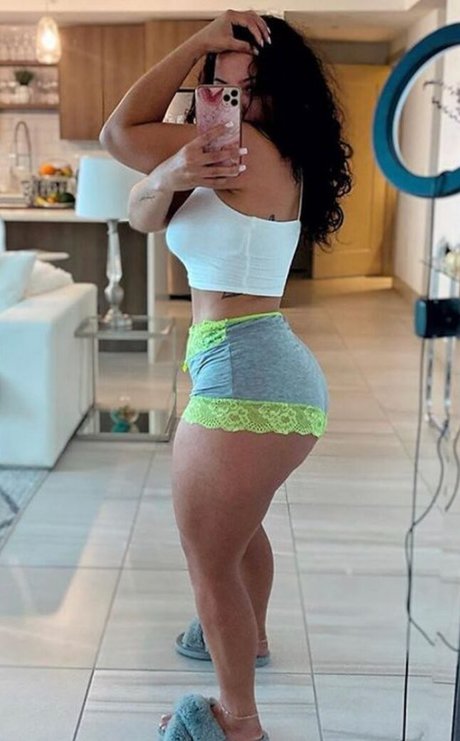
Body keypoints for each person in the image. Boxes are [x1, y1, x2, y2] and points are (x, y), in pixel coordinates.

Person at [100, 10, 352, 740]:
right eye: (219, 82)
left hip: (249, 375)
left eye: (251, 85)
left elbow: (118, 133)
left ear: (280, 92)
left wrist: (196, 42)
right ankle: (255, 638)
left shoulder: (244, 149)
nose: (232, 98)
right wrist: (170, 175)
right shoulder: (216, 158)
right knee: (235, 537)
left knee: (209, 562)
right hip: (257, 370)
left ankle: (238, 723)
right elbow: (143, 214)